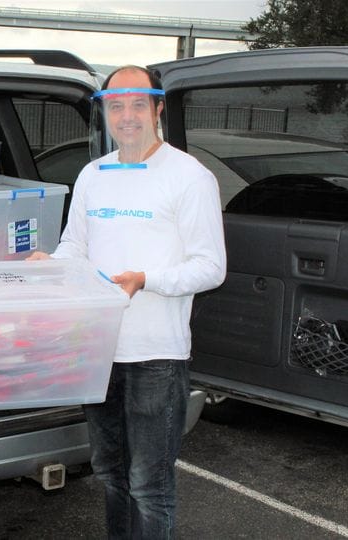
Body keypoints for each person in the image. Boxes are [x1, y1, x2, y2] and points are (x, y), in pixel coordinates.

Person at [29, 66, 226, 538]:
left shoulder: (189, 177)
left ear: (158, 109)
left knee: (149, 485)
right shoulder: (93, 174)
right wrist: (50, 263)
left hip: (156, 355)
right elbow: (75, 246)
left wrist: (146, 279)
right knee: (111, 476)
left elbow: (211, 267)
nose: (127, 115)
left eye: (139, 104)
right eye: (116, 105)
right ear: (104, 113)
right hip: (98, 351)